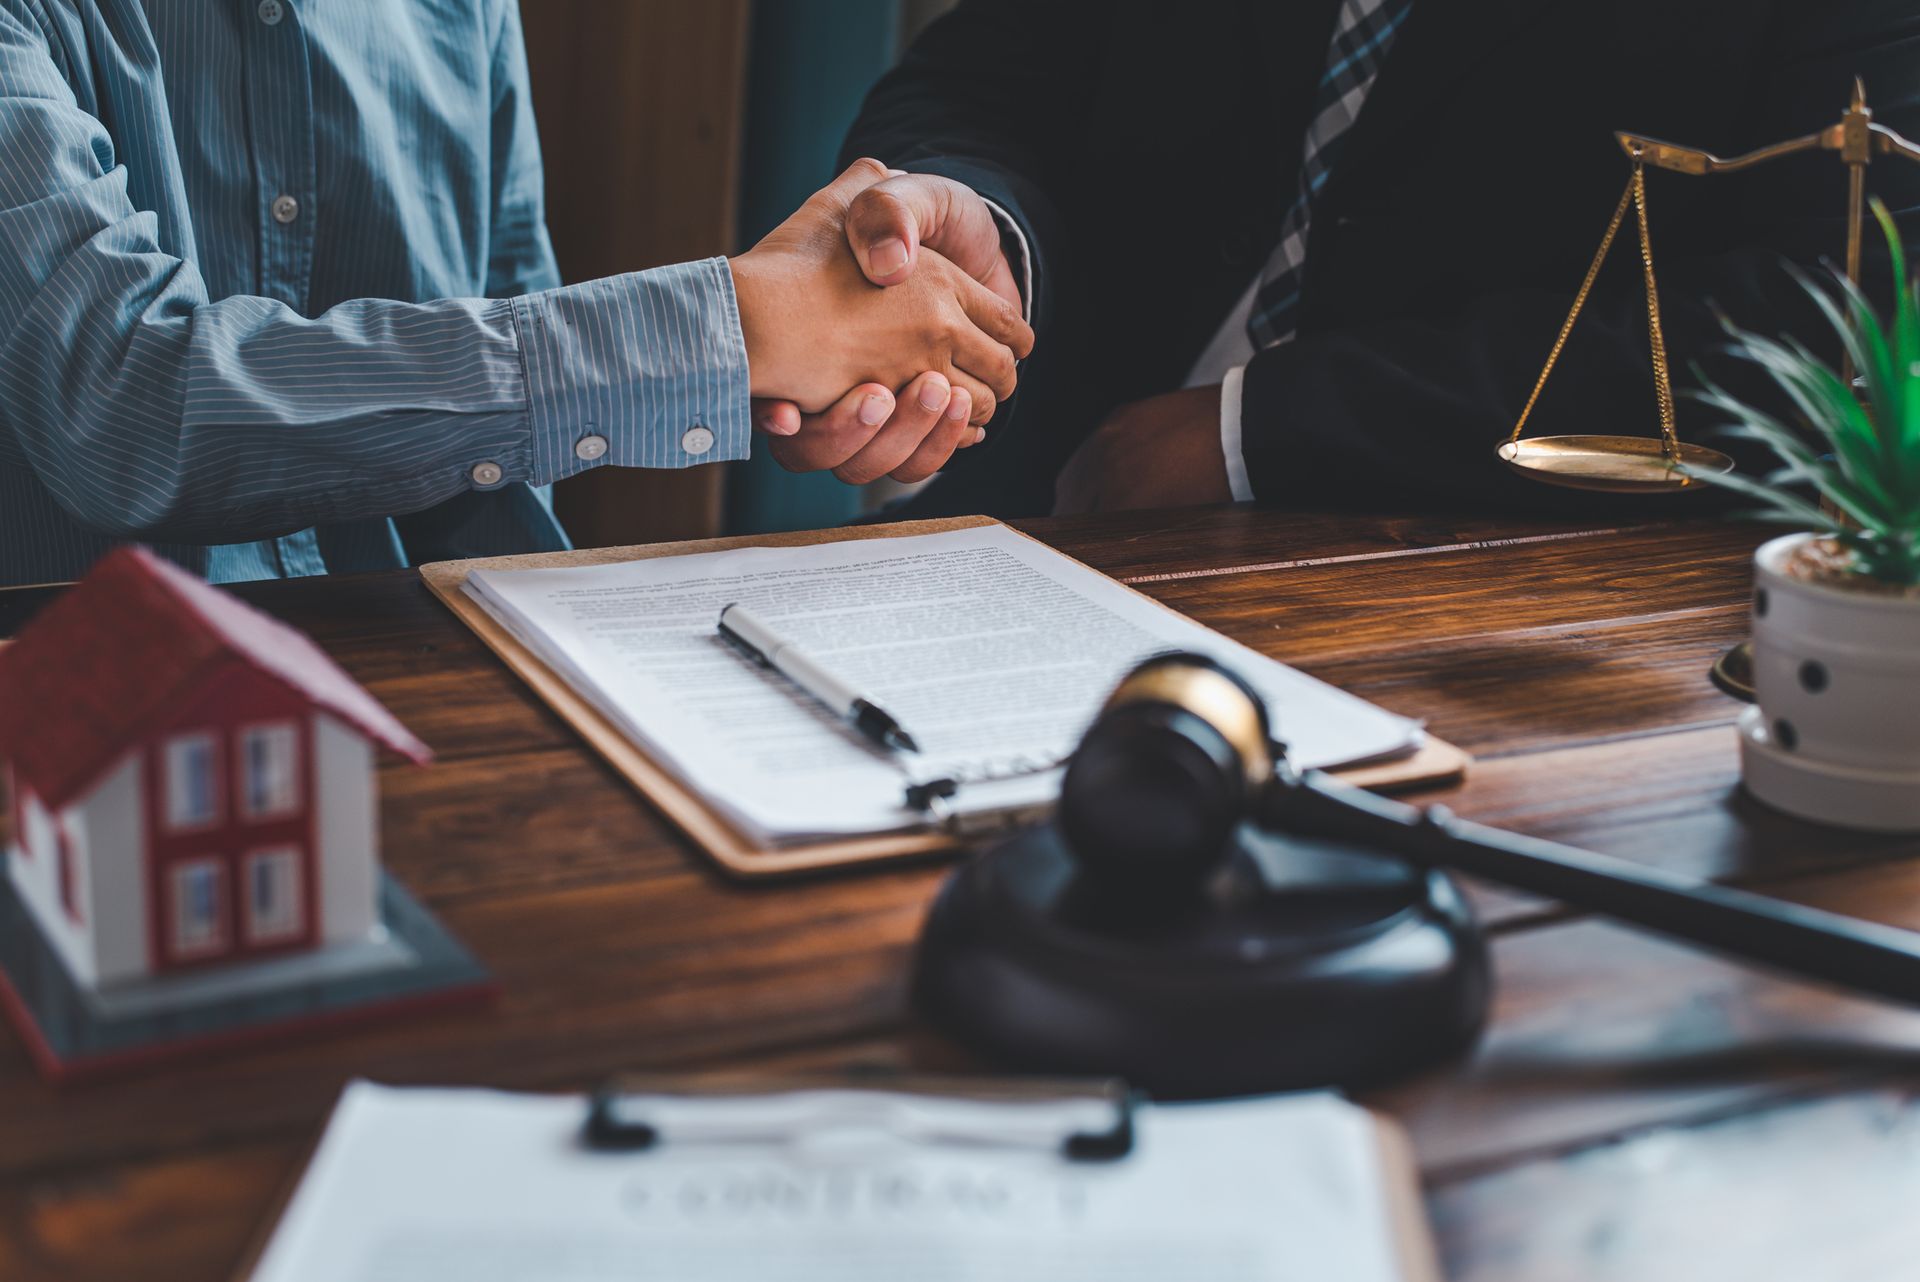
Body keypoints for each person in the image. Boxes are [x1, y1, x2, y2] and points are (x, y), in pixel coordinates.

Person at [0, 0, 1031, 588]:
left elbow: (510, 416)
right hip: (83, 750)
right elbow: (121, 400)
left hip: (450, 695)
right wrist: (730, 331)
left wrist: (796, 367)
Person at [760, 0, 1920, 518]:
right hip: (1039, 500)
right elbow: (986, 77)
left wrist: (1256, 435)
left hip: (1492, 579)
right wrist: (966, 227)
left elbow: (1834, 315)